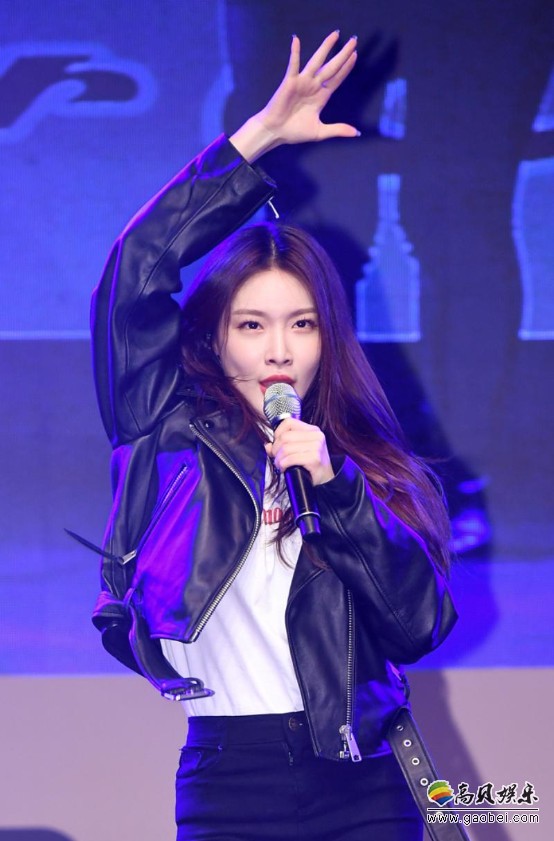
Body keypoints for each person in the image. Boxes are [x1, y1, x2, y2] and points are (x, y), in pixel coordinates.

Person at [91, 31, 457, 841]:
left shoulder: (371, 467)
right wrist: (256, 140)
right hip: (231, 773)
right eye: (252, 324)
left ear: (329, 338)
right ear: (216, 336)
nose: (278, 349)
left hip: (362, 774)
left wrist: (338, 488)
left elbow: (418, 625)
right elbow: (133, 271)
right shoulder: (168, 431)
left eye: (302, 323)